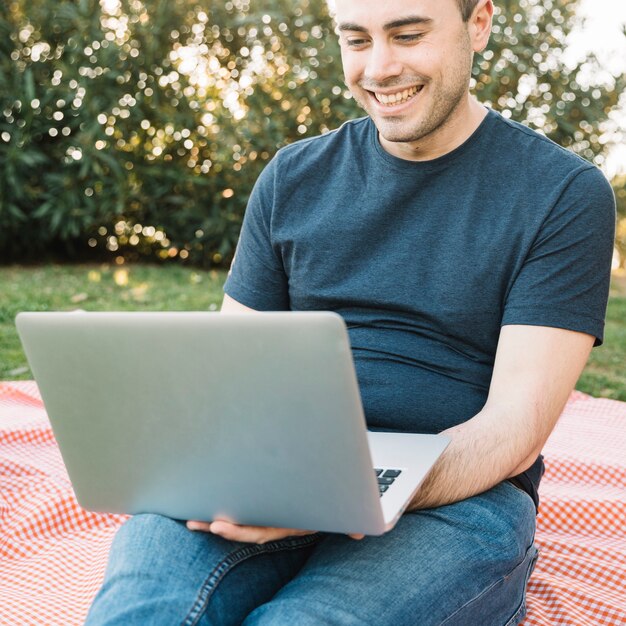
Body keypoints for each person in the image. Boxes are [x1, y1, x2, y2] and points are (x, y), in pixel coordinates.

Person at [86, 0, 616, 624]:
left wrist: (335, 495)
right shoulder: (292, 176)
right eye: (356, 39)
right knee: (143, 611)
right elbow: (234, 378)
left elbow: (513, 430)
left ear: (479, 23)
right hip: (285, 466)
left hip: (456, 499)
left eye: (408, 35)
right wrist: (258, 473)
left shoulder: (564, 195)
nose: (379, 67)